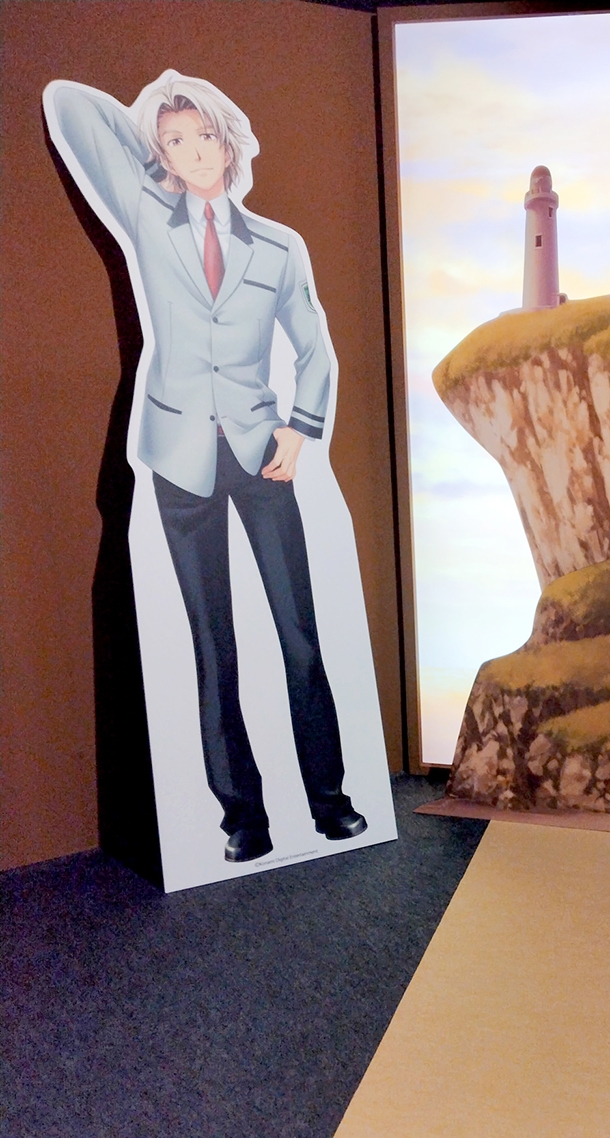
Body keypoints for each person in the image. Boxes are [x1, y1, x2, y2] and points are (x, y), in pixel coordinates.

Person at [46, 72, 366, 862]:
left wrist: (302, 427)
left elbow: (316, 348)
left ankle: (330, 802)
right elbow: (69, 106)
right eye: (175, 142)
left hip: (263, 456)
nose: (193, 153)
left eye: (204, 136)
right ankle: (243, 819)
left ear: (230, 142)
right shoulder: (146, 218)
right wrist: (150, 128)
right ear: (160, 153)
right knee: (212, 644)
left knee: (299, 636)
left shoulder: (279, 247)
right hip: (179, 462)